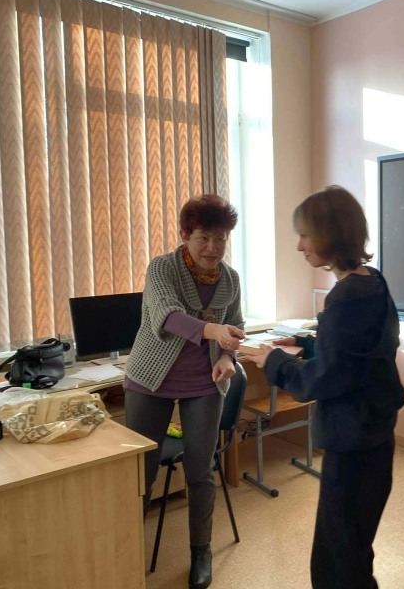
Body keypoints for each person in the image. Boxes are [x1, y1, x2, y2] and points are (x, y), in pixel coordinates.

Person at [247, 185, 404, 589]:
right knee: (353, 550)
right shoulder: (372, 281)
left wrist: (275, 362)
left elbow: (320, 380)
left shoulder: (346, 297)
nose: (299, 246)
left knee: (337, 563)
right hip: (373, 437)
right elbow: (355, 355)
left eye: (305, 234)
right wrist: (303, 342)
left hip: (353, 444)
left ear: (331, 234)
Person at [124, 194, 245, 589]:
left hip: (204, 383)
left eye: (220, 238)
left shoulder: (230, 279)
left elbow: (236, 325)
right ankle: (128, 551)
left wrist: (227, 356)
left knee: (200, 470)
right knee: (141, 473)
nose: (213, 248)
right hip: (150, 379)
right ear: (184, 235)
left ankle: (201, 552)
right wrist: (213, 331)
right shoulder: (162, 268)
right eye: (203, 238)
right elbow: (167, 316)